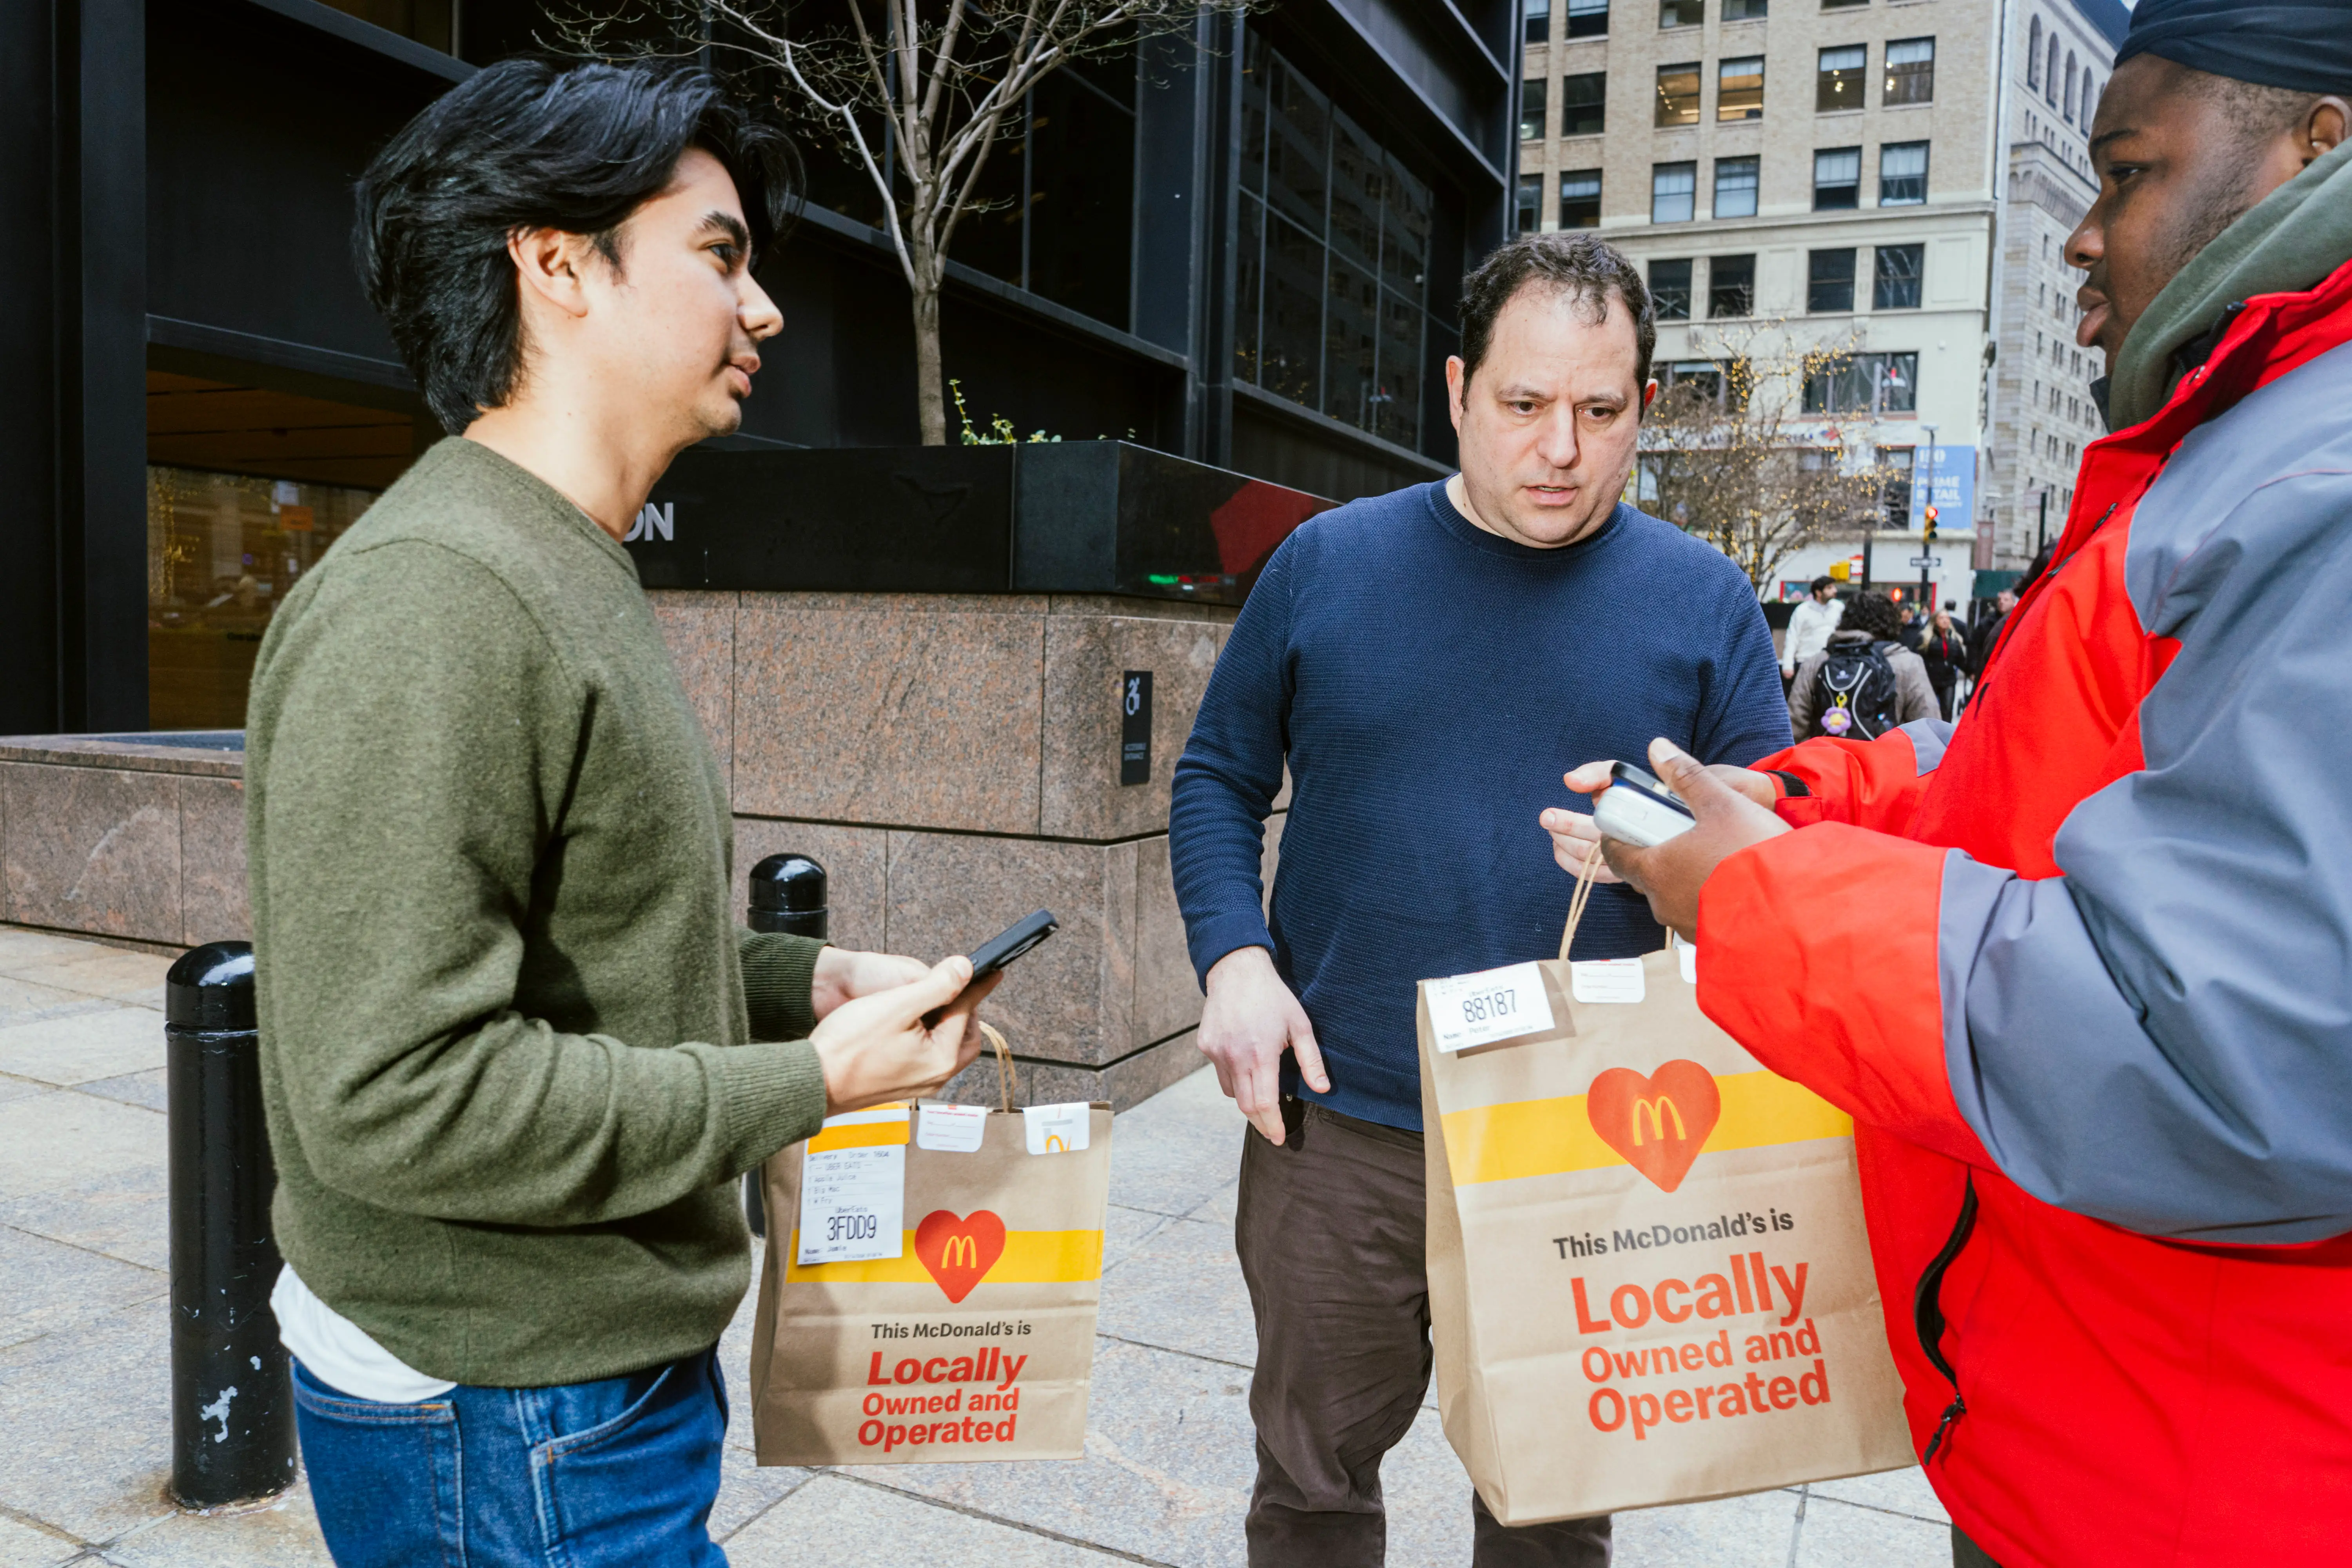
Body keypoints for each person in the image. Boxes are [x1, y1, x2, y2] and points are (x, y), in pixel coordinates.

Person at [1544, 5, 2352, 1563]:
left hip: (2206, 1493)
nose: (2084, 235)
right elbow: (2033, 775)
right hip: (2108, 1437)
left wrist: (1764, 901)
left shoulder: (2312, 476)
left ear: (2318, 144)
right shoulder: (2238, 451)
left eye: (2126, 172)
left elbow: (2233, 1046)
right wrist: (1803, 802)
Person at [243, 61, 1000, 1566]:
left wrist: (800, 983)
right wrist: (806, 1081)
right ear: (556, 262)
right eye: (719, 254)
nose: (761, 309)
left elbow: (578, 944)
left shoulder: (555, 559)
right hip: (506, 1415)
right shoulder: (436, 597)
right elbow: (394, 1092)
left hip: (574, 1395)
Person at [1169, 232, 1791, 1566]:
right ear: (1458, 391)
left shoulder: (1705, 601)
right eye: (1524, 403)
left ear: (1644, 409)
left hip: (1589, 1136)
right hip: (1339, 1126)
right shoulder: (1327, 564)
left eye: (1600, 411)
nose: (1561, 448)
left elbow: (1777, 847)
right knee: (1312, 1487)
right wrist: (1234, 962)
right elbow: (1218, 775)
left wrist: (1671, 855)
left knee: (1552, 1511)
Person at [1785, 590, 1937, 740]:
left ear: (1845, 620)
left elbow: (1794, 727)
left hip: (1825, 755)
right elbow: (1929, 727)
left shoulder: (1816, 663)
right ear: (1892, 622)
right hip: (1885, 755)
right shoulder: (1908, 663)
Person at [1779, 574, 1844, 686]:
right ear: (1818, 592)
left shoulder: (1839, 608)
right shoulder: (1803, 610)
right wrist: (1788, 664)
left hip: (1831, 662)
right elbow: (1792, 637)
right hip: (1806, 662)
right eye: (1829, 588)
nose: (1835, 591)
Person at [1913, 606, 1969, 720]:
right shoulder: (1926, 638)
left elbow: (1961, 661)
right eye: (1942, 618)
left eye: (1947, 618)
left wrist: (1972, 671)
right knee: (1929, 710)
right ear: (1935, 621)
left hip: (1949, 680)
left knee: (1947, 709)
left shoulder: (1954, 639)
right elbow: (1917, 657)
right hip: (1931, 679)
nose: (1945, 621)